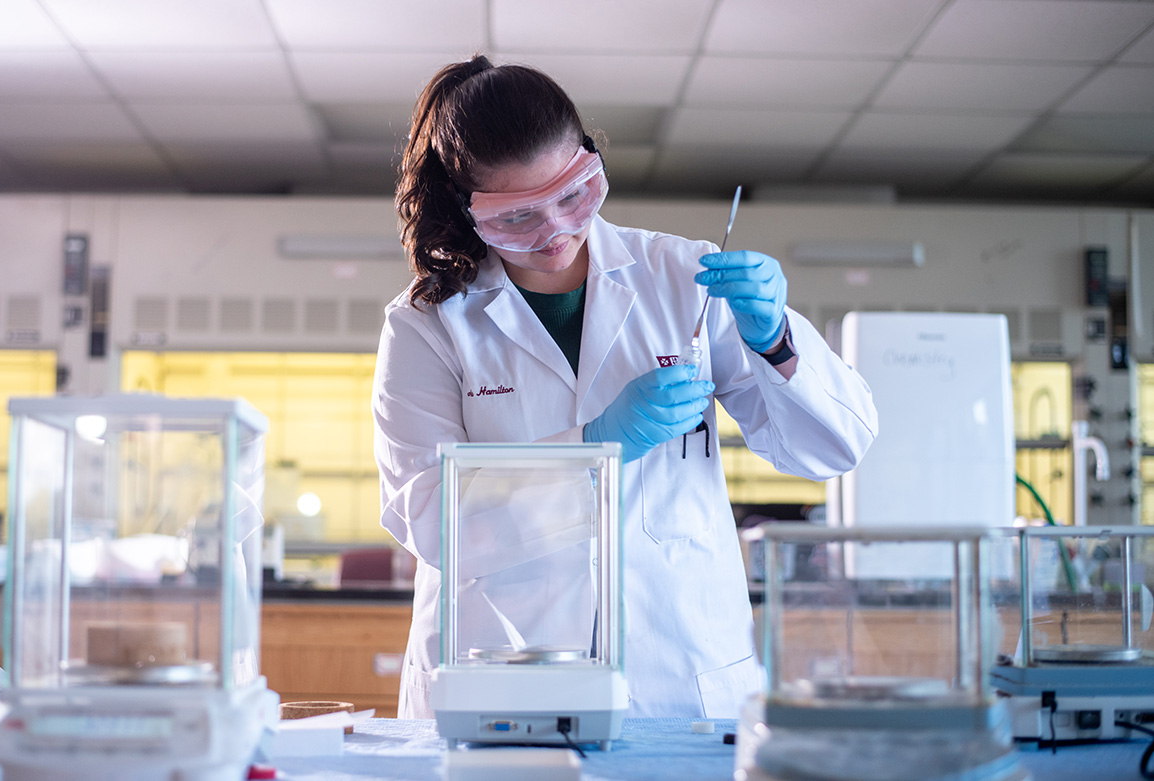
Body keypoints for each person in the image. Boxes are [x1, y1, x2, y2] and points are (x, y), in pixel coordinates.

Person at [372, 54, 877, 719]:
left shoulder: (680, 276)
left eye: (574, 195)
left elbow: (834, 450)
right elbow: (428, 517)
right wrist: (594, 448)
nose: (555, 230)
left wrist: (775, 340)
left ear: (590, 161)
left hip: (679, 672)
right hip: (501, 674)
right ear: (468, 212)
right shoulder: (427, 323)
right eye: (517, 218)